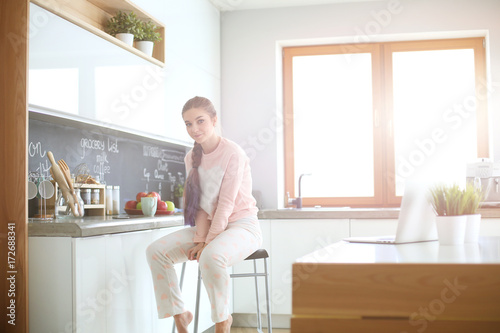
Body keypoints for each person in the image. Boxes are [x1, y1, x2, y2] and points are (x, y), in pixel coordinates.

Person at [146, 96, 262, 333]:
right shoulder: (191, 157)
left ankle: (222, 322)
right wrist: (201, 238)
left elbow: (227, 203)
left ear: (214, 120)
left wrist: (206, 243)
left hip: (243, 226)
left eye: (200, 121)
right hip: (209, 227)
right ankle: (180, 317)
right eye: (188, 124)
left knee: (210, 256)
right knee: (156, 251)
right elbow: (198, 205)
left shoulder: (233, 153)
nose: (194, 129)